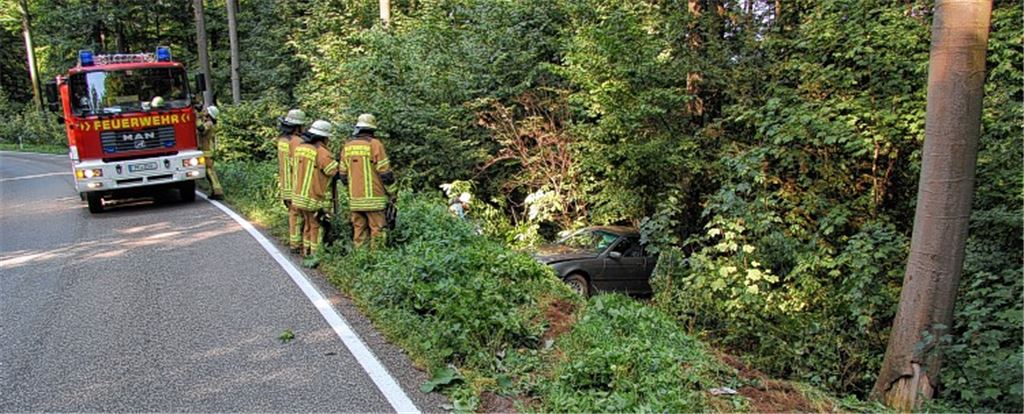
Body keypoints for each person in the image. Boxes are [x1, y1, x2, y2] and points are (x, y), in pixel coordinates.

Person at [338, 113, 394, 248]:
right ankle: (377, 259)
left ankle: (360, 258)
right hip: (375, 199)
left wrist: (350, 191)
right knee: (378, 229)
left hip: (355, 199)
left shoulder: (348, 146)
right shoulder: (375, 145)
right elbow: (385, 173)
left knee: (359, 229)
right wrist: (392, 193)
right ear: (372, 129)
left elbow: (343, 174)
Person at [291, 120, 339, 259]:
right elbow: (333, 171)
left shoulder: (300, 148)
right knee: (316, 226)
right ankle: (316, 254)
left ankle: (306, 250)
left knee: (307, 224)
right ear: (323, 137)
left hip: (298, 196)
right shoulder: (321, 152)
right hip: (313, 198)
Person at [276, 109, 308, 252]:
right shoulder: (297, 142)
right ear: (298, 126)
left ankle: (294, 242)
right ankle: (299, 244)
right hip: (296, 184)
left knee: (293, 215)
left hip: (285, 185)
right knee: (301, 215)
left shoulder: (282, 140)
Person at [197, 106, 224, 199]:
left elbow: (201, 129)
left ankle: (218, 192)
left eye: (206, 111)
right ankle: (215, 191)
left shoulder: (209, 123)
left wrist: (196, 117)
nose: (204, 111)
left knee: (210, 172)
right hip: (206, 150)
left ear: (209, 114)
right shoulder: (209, 123)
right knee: (209, 172)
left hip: (207, 151)